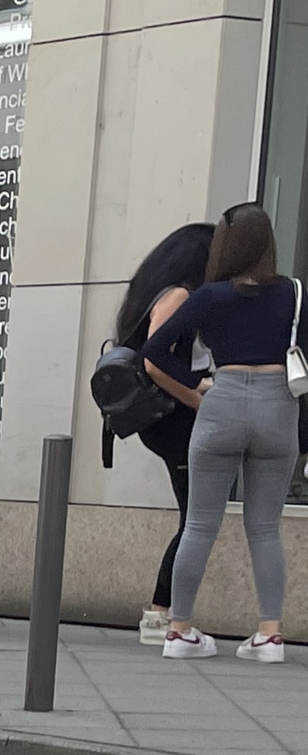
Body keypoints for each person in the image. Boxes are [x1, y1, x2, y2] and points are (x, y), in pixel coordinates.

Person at [142, 202, 293, 661]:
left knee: (200, 525)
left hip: (222, 404)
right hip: (276, 407)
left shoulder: (209, 297)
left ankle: (180, 631)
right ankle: (269, 635)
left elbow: (154, 350)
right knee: (265, 527)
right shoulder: (293, 293)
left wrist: (195, 383)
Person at [119, 222, 216, 642]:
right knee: (195, 518)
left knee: (194, 516)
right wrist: (198, 397)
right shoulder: (178, 296)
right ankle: (160, 613)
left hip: (167, 422)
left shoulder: (161, 291)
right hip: (174, 421)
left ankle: (164, 612)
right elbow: (154, 362)